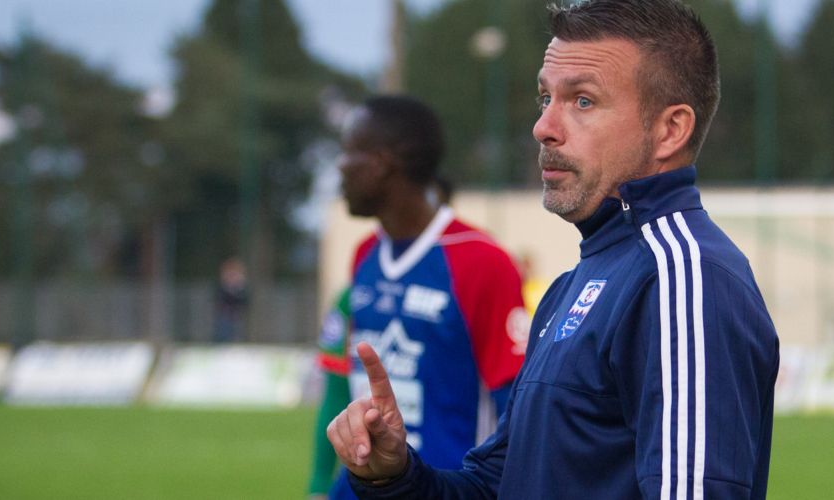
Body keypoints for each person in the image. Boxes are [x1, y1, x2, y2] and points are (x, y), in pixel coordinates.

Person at [326, 1, 780, 498]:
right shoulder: (573, 286)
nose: (544, 126)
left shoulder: (684, 279)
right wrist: (396, 477)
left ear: (670, 130)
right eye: (546, 98)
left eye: (582, 101)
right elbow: (496, 486)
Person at [306, 96, 529, 499]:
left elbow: (516, 406)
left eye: (349, 154)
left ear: (381, 162)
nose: (339, 168)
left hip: (446, 489)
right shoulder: (364, 255)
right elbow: (342, 388)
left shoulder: (482, 261)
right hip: (365, 489)